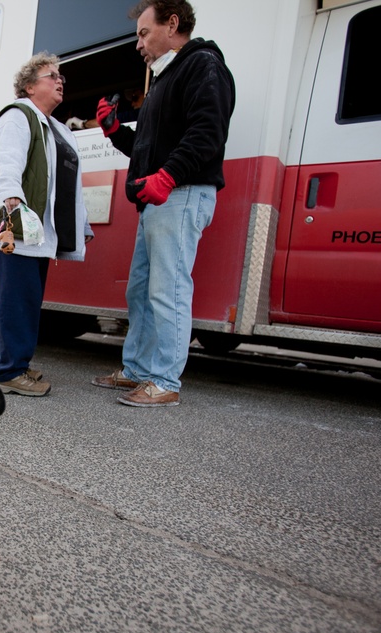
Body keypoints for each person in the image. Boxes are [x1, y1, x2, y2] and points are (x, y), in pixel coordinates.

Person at [91, 0, 235, 407]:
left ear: (172, 24)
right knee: (141, 291)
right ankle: (137, 370)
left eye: (143, 32)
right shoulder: (164, 79)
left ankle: (165, 380)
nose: (138, 44)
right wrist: (116, 131)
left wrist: (170, 175)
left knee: (167, 290)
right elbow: (147, 147)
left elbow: (207, 132)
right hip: (159, 198)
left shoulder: (202, 65)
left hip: (182, 193)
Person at [0, 53, 93, 397]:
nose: (60, 81)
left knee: (27, 300)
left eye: (62, 77)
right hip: (18, 224)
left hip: (38, 229)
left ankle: (18, 362)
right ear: (29, 86)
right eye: (51, 76)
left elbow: (66, 184)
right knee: (16, 300)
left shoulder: (55, 127)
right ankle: (10, 371)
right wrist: (11, 197)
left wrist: (81, 223)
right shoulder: (18, 116)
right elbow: (6, 161)